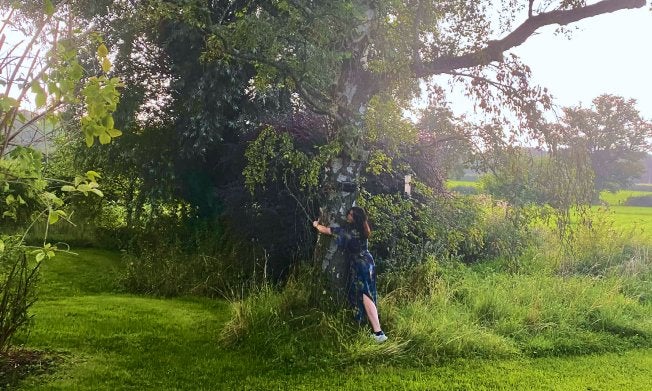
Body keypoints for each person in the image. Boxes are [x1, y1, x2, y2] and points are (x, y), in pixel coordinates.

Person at [313, 207, 388, 343]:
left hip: (360, 265)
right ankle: (375, 329)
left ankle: (378, 333)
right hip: (368, 261)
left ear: (355, 218)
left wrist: (316, 225)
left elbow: (326, 230)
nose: (347, 215)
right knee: (369, 292)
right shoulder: (363, 229)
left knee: (366, 295)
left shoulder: (347, 232)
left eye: (350, 214)